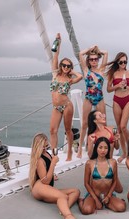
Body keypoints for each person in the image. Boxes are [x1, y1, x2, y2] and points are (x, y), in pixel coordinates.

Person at [29, 133, 82, 219]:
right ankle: (68, 216)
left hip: (47, 186)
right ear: (37, 147)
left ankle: (63, 209)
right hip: (40, 186)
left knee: (76, 191)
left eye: (46, 146)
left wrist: (53, 173)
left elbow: (47, 172)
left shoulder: (46, 154)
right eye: (43, 147)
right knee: (63, 196)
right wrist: (53, 163)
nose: (45, 148)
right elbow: (45, 181)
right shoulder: (39, 160)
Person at [49, 33, 83, 161]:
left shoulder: (70, 79)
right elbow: (56, 56)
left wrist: (71, 71)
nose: (65, 67)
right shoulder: (55, 74)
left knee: (68, 130)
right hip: (56, 107)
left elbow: (79, 76)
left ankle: (69, 153)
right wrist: (58, 42)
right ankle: (54, 155)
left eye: (68, 66)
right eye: (64, 65)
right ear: (60, 66)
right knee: (53, 130)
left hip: (67, 106)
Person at [79, 137, 126, 215]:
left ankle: (108, 202)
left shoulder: (113, 162)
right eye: (100, 147)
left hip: (108, 194)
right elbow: (86, 183)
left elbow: (114, 181)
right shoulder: (89, 163)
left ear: (108, 149)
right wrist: (96, 200)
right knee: (86, 210)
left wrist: (108, 196)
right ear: (96, 148)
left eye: (106, 148)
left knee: (121, 207)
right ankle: (80, 201)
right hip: (94, 195)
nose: (103, 150)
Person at [77, 46, 108, 158]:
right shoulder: (86, 71)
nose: (94, 61)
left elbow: (106, 52)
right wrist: (90, 49)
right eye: (91, 59)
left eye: (96, 59)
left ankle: (104, 147)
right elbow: (80, 54)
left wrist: (98, 50)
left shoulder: (101, 70)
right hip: (88, 98)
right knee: (84, 124)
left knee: (103, 124)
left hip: (100, 98)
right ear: (88, 61)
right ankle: (80, 148)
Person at [106, 52, 129, 163]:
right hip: (117, 101)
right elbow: (108, 89)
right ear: (117, 62)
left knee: (123, 127)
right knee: (119, 128)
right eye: (121, 62)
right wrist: (118, 85)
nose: (123, 63)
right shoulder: (113, 74)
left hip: (127, 100)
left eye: (125, 61)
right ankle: (124, 153)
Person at [86, 110, 123, 193]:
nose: (103, 116)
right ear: (95, 120)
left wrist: (117, 140)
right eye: (100, 115)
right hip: (99, 165)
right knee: (96, 190)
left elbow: (117, 147)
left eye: (102, 114)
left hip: (110, 163)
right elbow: (90, 155)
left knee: (119, 190)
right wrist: (91, 143)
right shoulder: (92, 135)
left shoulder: (111, 129)